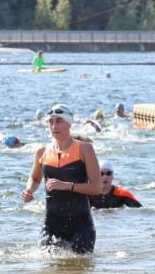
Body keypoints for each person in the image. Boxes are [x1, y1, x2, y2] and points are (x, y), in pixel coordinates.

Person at [21, 104, 103, 253]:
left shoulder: (84, 149)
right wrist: (29, 190)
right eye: (51, 122)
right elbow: (34, 178)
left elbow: (97, 188)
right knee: (50, 272)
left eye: (59, 121)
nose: (54, 126)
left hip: (81, 225)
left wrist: (67, 185)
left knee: (79, 271)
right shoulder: (42, 152)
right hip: (51, 225)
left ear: (69, 123)